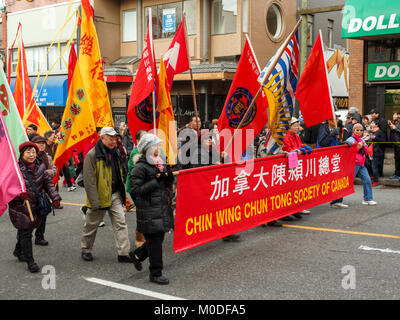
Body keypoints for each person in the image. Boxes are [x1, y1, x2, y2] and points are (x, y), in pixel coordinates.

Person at [81, 127, 132, 263]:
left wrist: (122, 194)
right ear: (102, 138)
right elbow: (89, 180)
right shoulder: (92, 155)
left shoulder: (115, 152)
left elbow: (121, 173)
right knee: (91, 225)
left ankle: (123, 253)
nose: (113, 141)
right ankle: (86, 249)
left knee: (121, 223)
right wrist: (94, 201)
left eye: (115, 138)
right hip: (99, 196)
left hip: (115, 194)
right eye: (110, 138)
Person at [8, 142, 61, 273]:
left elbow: (47, 183)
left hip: (36, 204)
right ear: (22, 154)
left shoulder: (41, 166)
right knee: (26, 232)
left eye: (33, 152)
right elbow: (7, 188)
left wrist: (55, 197)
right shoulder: (15, 168)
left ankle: (18, 250)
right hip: (20, 206)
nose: (31, 155)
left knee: (27, 230)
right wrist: (19, 196)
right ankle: (30, 261)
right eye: (28, 152)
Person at [129, 133, 174, 285]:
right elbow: (136, 190)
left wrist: (168, 177)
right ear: (148, 149)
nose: (159, 148)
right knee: (155, 242)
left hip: (160, 206)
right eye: (156, 146)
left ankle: (137, 255)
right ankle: (155, 273)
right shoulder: (140, 167)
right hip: (149, 209)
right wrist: (157, 180)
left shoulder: (160, 163)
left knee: (158, 239)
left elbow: (167, 181)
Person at [31, 135, 60, 246]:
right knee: (29, 218)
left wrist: (45, 173)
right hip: (32, 191)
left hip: (43, 190)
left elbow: (54, 169)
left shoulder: (47, 156)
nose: (42, 145)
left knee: (43, 214)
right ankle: (20, 246)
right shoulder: (29, 156)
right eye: (39, 143)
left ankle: (40, 236)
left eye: (43, 143)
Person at [281, 117, 312, 219]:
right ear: (289, 127)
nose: (297, 128)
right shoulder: (286, 137)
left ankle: (296, 209)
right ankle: (287, 211)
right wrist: (298, 150)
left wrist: (304, 147)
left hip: (296, 165)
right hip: (288, 166)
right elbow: (287, 149)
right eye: (295, 126)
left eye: (297, 126)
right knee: (288, 189)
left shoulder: (296, 136)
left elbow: (299, 145)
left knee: (297, 187)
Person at [317, 119, 349, 209]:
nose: (336, 120)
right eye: (333, 119)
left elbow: (336, 143)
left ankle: (337, 201)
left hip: (334, 158)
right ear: (329, 121)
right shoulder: (323, 128)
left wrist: (345, 143)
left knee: (338, 178)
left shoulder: (338, 129)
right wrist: (331, 135)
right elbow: (322, 143)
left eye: (336, 118)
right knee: (321, 181)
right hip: (324, 160)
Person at [345, 123, 377, 206]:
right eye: (357, 130)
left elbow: (367, 150)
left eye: (361, 130)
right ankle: (337, 200)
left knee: (367, 180)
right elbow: (347, 151)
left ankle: (368, 198)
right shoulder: (350, 139)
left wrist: (362, 147)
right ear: (353, 130)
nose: (359, 132)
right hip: (353, 164)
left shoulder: (361, 140)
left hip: (361, 164)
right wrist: (357, 148)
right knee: (346, 182)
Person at [127, 130, 147, 248]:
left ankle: (146, 234)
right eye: (144, 138)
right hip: (136, 187)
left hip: (145, 187)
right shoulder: (136, 152)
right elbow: (134, 172)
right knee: (141, 212)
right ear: (138, 141)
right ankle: (139, 238)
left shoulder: (149, 150)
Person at [369, 120, 386, 186]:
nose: (371, 124)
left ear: (377, 124)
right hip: (371, 151)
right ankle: (374, 176)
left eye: (373, 123)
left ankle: (376, 180)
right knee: (372, 165)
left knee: (374, 166)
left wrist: (375, 138)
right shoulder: (372, 132)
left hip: (377, 151)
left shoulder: (380, 132)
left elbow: (383, 141)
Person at [388, 112, 400, 180]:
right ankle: (396, 174)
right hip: (396, 144)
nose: (394, 117)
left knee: (398, 160)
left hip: (399, 144)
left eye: (396, 115)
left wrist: (395, 128)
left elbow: (397, 130)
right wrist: (391, 126)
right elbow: (394, 132)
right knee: (396, 160)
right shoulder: (397, 123)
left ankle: (398, 174)